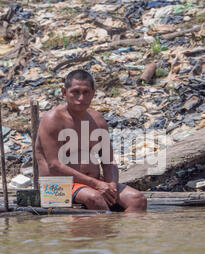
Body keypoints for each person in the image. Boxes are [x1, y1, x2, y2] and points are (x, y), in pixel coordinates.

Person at [35, 70, 147, 212]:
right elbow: (55, 165)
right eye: (75, 92)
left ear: (93, 93)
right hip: (56, 186)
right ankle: (107, 232)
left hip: (93, 184)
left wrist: (111, 184)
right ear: (64, 92)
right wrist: (96, 184)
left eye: (86, 92)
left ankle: (121, 234)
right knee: (95, 198)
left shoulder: (97, 120)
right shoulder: (53, 120)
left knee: (138, 200)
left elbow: (108, 161)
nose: (81, 98)